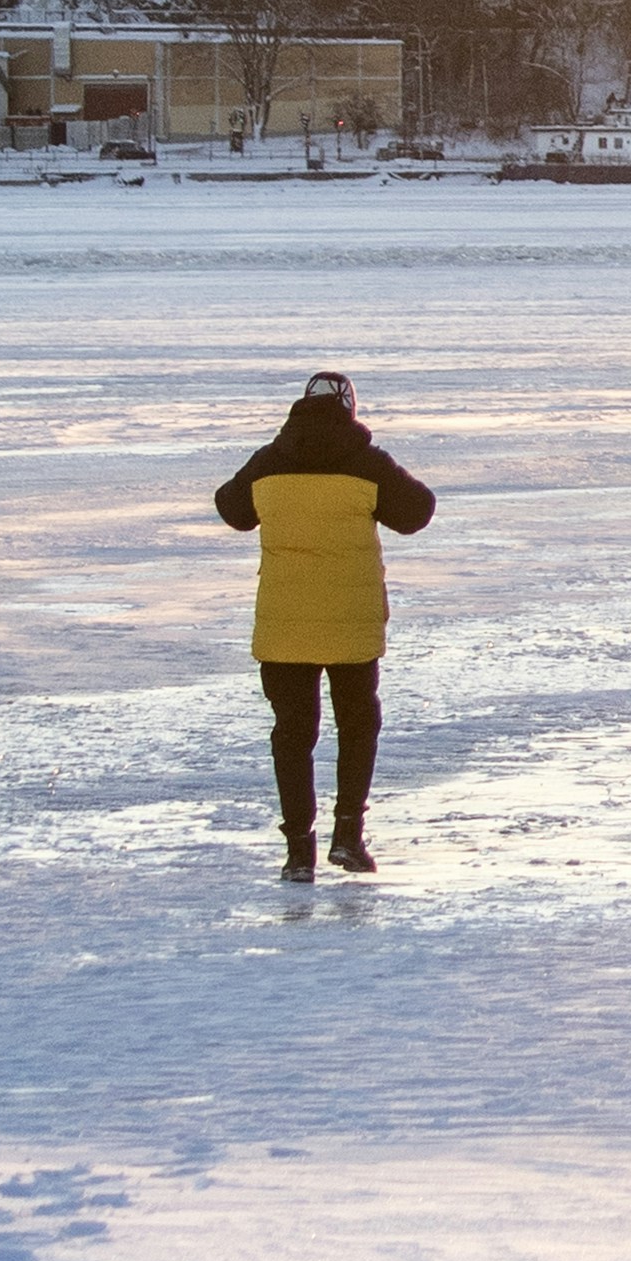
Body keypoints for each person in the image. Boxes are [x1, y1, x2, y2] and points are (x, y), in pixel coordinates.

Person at [212, 368, 437, 881]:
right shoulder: (365, 463)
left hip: (284, 626)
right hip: (351, 626)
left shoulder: (271, 461)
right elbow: (418, 511)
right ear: (350, 409)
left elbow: (232, 509)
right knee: (357, 726)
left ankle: (298, 853)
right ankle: (348, 837)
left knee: (293, 734)